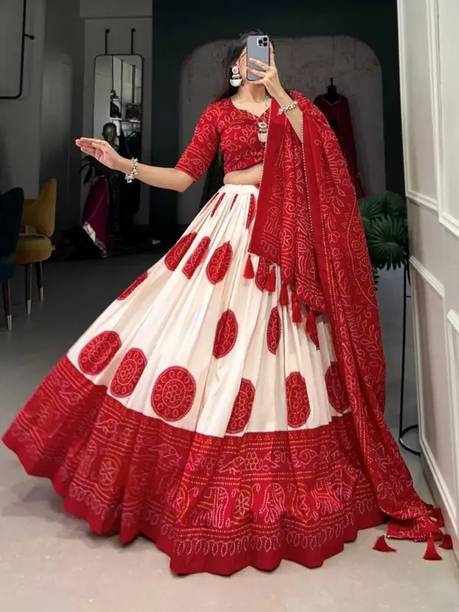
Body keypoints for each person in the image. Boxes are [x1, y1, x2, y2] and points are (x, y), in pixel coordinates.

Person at [2, 30, 449, 576]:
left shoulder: (294, 108)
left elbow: (322, 153)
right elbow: (183, 177)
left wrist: (281, 93)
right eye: (250, 54)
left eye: (268, 53)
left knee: (287, 340)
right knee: (198, 332)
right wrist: (122, 163)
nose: (259, 61)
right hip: (232, 225)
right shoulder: (217, 115)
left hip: (288, 231)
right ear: (235, 65)